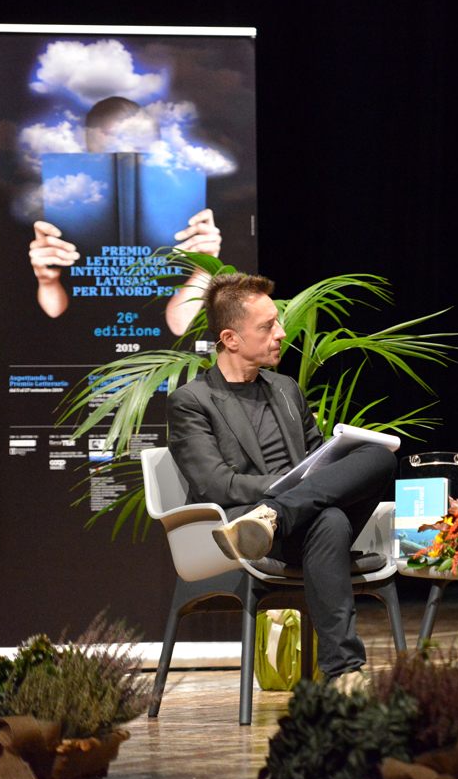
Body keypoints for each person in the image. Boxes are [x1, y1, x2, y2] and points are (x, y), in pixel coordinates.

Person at [166, 273, 397, 690]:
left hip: (287, 516)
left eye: (277, 322)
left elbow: (320, 460)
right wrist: (290, 488)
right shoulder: (192, 401)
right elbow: (217, 484)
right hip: (248, 532)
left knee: (378, 455)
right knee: (329, 521)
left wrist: (290, 497)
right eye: (267, 326)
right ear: (230, 339)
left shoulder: (285, 389)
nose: (281, 333)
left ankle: (276, 514)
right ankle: (344, 673)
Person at [27, 96, 220, 334]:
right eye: (110, 154)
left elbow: (178, 325)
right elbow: (54, 314)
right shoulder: (51, 212)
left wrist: (203, 271)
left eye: (141, 152)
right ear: (88, 151)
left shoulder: (197, 211)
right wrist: (47, 282)